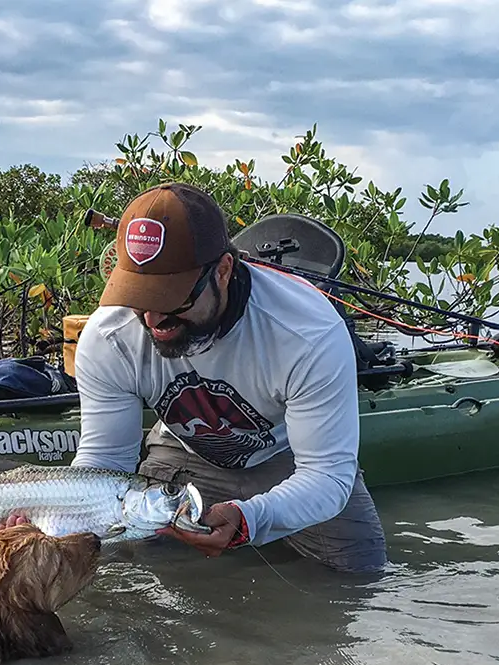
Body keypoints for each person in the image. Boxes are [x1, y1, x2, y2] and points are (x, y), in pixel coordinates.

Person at [62, 181, 387, 572]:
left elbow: (327, 475)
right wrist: (54, 521)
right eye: (139, 297)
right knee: (124, 569)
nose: (152, 319)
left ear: (223, 271)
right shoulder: (108, 337)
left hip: (289, 461)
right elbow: (104, 460)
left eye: (172, 298)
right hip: (184, 459)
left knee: (362, 576)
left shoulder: (308, 333)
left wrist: (249, 519)